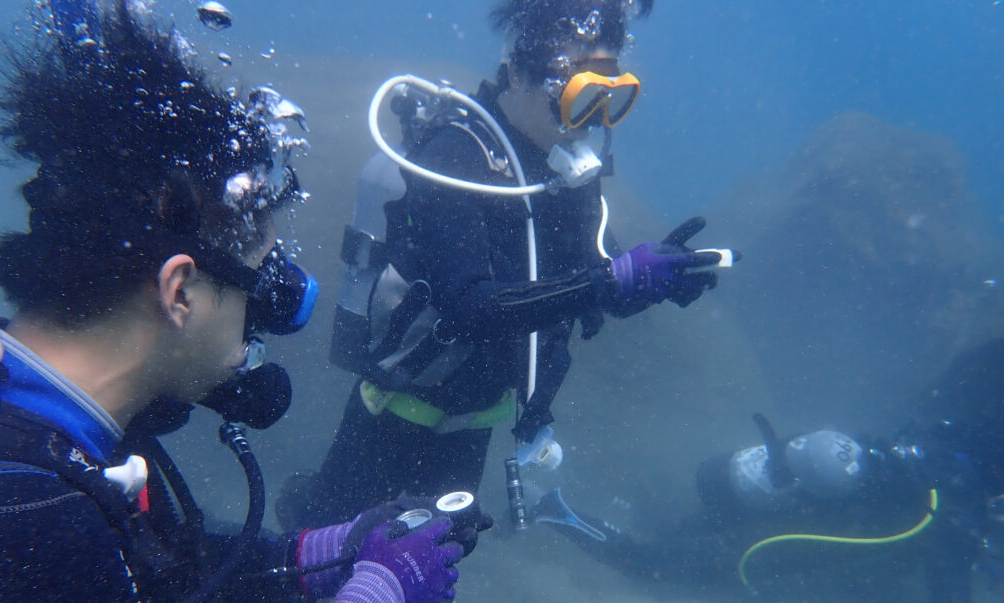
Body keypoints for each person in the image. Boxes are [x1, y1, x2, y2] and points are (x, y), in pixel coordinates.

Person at [0, 3, 485, 603]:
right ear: (179, 291)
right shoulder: (29, 511)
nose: (259, 326)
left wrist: (337, 548)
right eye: (255, 287)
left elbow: (148, 570)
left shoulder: (29, 440)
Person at [277, 0, 737, 532]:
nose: (590, 121)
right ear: (518, 72)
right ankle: (295, 518)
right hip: (392, 419)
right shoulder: (457, 156)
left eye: (610, 99)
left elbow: (593, 285)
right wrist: (611, 280)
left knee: (428, 566)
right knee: (325, 554)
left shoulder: (568, 178)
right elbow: (473, 308)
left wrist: (653, 283)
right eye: (579, 96)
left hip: (476, 424)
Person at [537, 338, 1004, 603]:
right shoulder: (957, 508)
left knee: (679, 535)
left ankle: (586, 501)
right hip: (779, 533)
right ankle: (555, 511)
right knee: (653, 563)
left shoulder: (942, 444)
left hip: (782, 501)